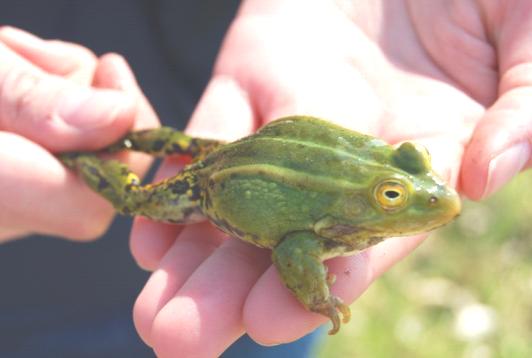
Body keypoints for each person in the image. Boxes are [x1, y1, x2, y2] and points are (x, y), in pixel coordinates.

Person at [1, 0, 530, 357]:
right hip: (202, 194)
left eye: (403, 176)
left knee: (251, 320)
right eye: (393, 196)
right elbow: (294, 253)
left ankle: (130, 137)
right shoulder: (322, 229)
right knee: (138, 200)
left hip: (232, 86)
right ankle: (94, 159)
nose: (437, 198)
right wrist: (319, 298)